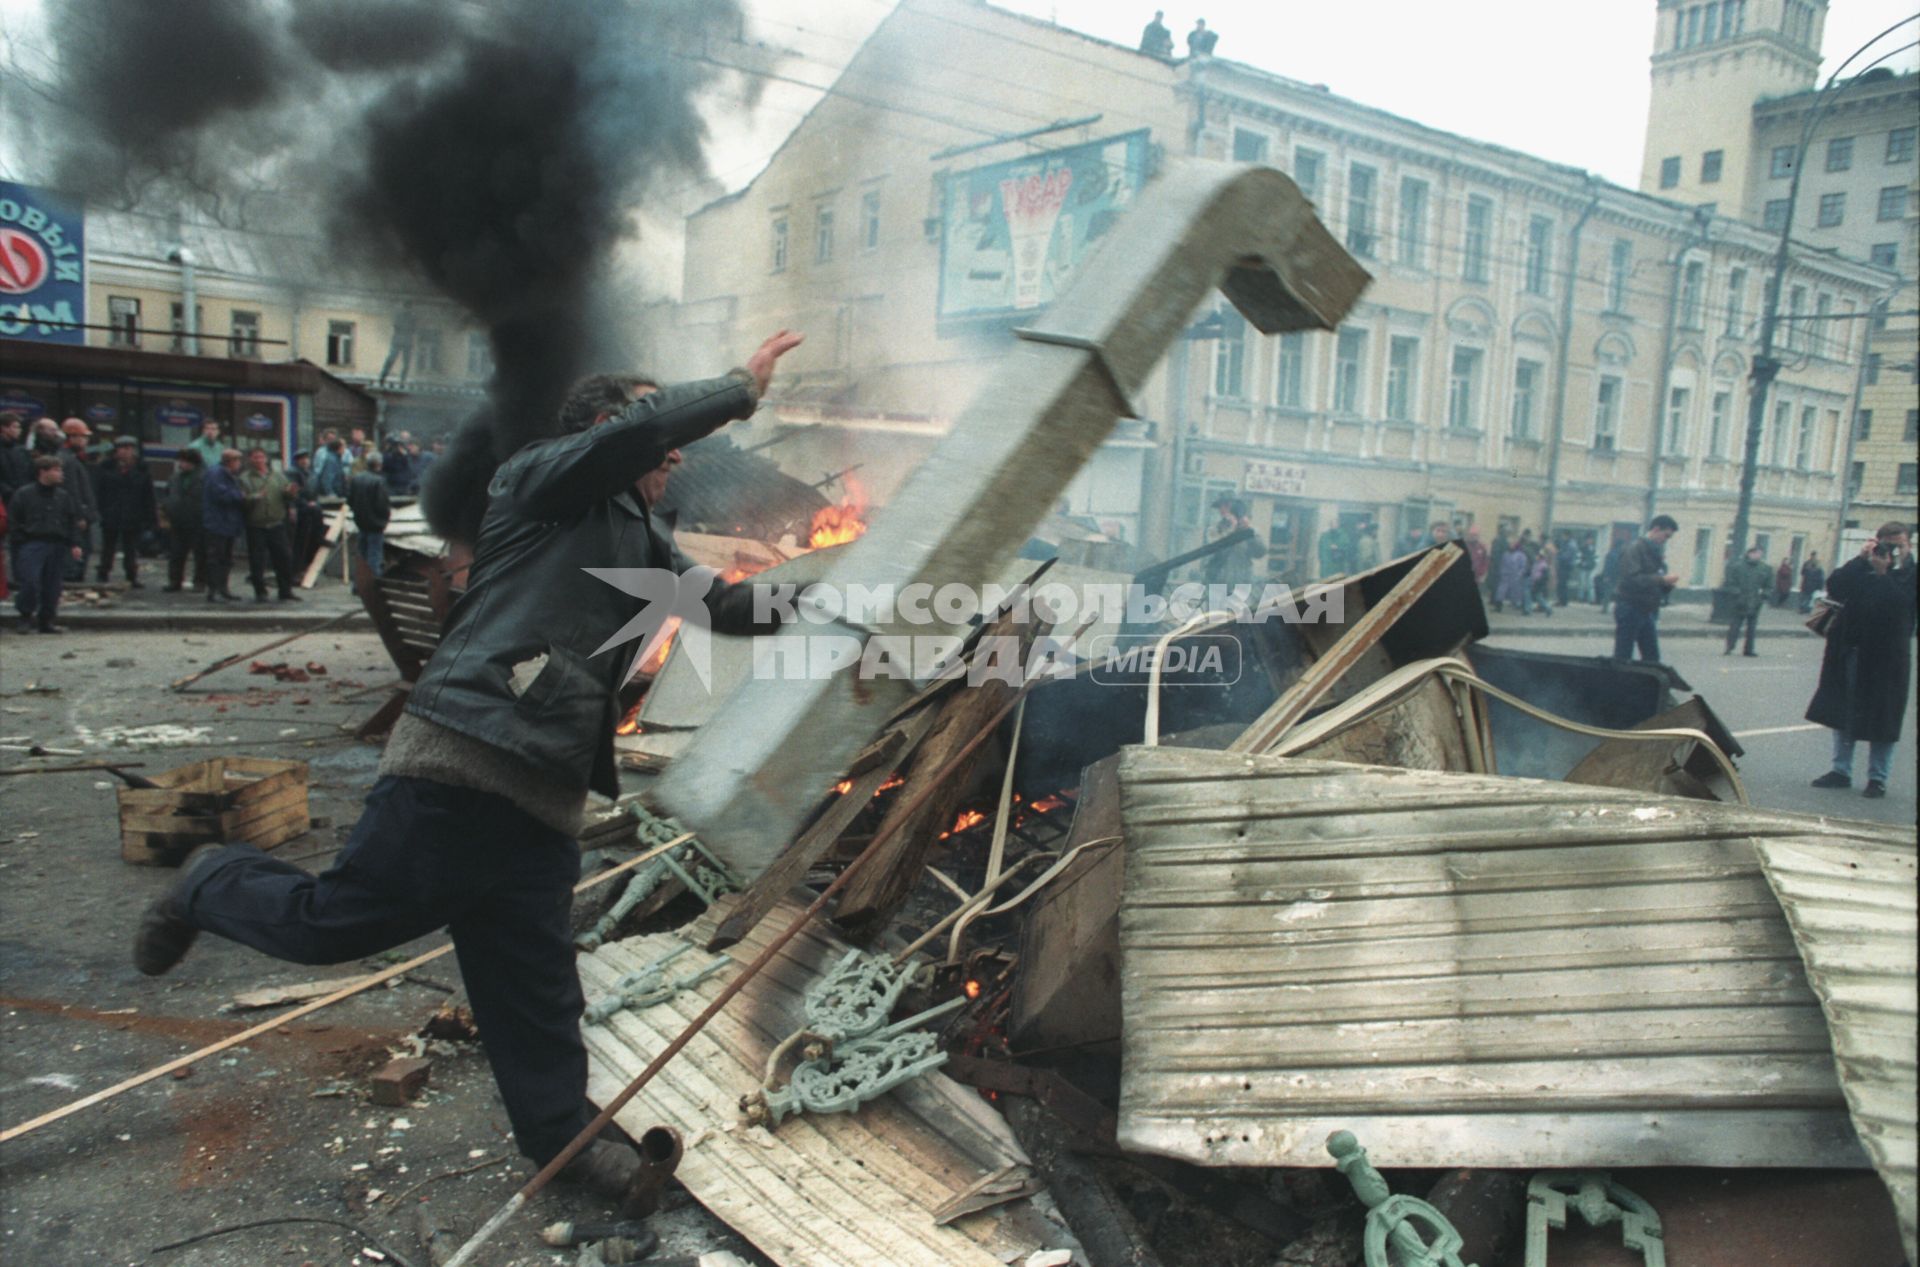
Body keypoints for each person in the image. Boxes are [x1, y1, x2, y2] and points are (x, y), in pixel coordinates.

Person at [133, 331, 805, 1197]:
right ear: (603, 427)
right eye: (650, 425)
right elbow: (628, 441)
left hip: (543, 800)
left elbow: (732, 605)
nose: (671, 449)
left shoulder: (643, 535)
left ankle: (566, 1147)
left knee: (535, 990)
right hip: (463, 765)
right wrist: (736, 387)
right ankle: (210, 878)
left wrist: (846, 590)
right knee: (333, 924)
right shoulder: (541, 480)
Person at [1807, 523, 1915, 799]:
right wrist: (1860, 558)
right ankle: (1840, 770)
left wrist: (1883, 573)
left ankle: (1877, 778)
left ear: (1908, 546)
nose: (1889, 552)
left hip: (1887, 659)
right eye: (1885, 545)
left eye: (1897, 546)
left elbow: (1902, 606)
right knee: (1844, 710)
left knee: (1883, 717)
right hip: (1853, 649)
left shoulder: (1911, 573)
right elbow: (1835, 586)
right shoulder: (1863, 566)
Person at [8, 456, 85, 633]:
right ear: (43, 472)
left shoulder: (63, 496)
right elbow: (14, 520)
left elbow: (71, 521)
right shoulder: (24, 494)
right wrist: (21, 540)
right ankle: (25, 617)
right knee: (30, 582)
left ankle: (46, 620)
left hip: (57, 544)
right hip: (32, 543)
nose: (61, 474)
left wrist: (75, 544)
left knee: (53, 586)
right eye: (56, 470)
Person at [1611, 515, 1680, 663]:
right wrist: (1662, 580)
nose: (1665, 540)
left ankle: (1646, 684)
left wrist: (1666, 586)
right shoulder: (1634, 548)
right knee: (1623, 654)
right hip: (1630, 606)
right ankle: (1619, 683)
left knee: (1651, 656)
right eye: (1665, 535)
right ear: (1655, 529)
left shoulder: (1652, 550)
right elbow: (1631, 579)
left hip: (1645, 608)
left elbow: (1651, 579)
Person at [93, 436, 157, 588]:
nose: (127, 452)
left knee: (131, 547)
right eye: (123, 449)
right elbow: (99, 491)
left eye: (130, 449)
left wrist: (150, 517)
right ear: (116, 451)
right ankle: (103, 572)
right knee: (109, 545)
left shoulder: (142, 469)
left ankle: (131, 575)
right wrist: (101, 510)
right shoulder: (106, 467)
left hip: (133, 513)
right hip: (112, 512)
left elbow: (148, 495)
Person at [240, 448, 300, 602]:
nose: (258, 460)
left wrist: (291, 492)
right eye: (255, 457)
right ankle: (260, 592)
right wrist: (255, 497)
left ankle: (285, 591)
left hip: (276, 523)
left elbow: (286, 495)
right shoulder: (245, 478)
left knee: (284, 557)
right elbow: (241, 500)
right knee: (257, 560)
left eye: (261, 457)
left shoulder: (278, 476)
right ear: (250, 460)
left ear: (266, 459)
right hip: (256, 525)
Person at [201, 448, 247, 604]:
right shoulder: (217, 474)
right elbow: (221, 495)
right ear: (231, 461)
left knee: (226, 558)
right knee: (216, 557)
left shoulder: (228, 475)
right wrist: (240, 495)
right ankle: (213, 590)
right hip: (218, 522)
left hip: (228, 523)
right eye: (238, 461)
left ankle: (223, 588)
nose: (239, 465)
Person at [59, 418, 99, 581]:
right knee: (79, 548)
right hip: (77, 514)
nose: (85, 441)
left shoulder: (72, 458)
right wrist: (79, 514)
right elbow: (72, 490)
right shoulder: (69, 460)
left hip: (78, 512)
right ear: (71, 437)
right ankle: (72, 578)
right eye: (82, 437)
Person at [163, 449, 207, 592]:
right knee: (176, 553)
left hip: (197, 520)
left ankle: (200, 582)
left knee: (200, 554)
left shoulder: (204, 477)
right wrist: (167, 510)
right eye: (180, 461)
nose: (181, 464)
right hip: (178, 520)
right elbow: (168, 494)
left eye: (184, 461)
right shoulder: (175, 478)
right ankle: (175, 581)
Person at [347, 453, 393, 586]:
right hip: (375, 524)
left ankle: (357, 585)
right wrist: (384, 520)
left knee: (361, 556)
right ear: (379, 464)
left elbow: (350, 500)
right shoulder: (378, 481)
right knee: (374, 556)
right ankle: (372, 586)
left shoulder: (356, 479)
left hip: (361, 522)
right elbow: (382, 504)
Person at [1203, 497, 1265, 587]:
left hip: (1241, 585)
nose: (1222, 510)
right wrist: (1230, 529)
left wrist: (1248, 532)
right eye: (1221, 507)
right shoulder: (1215, 529)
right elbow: (1214, 548)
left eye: (1226, 506)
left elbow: (1260, 552)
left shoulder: (1248, 531)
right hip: (1217, 583)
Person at [1721, 544, 1770, 657]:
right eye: (1756, 553)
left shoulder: (1765, 569)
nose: (1758, 556)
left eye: (1760, 554)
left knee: (1752, 628)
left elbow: (1769, 585)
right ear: (1750, 554)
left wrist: (1764, 596)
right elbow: (1730, 582)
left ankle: (1749, 649)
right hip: (1740, 601)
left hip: (1755, 601)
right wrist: (1736, 594)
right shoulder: (1738, 567)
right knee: (1735, 626)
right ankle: (1729, 647)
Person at [378, 301, 417, 388]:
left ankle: (401, 381)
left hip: (404, 342)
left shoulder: (410, 317)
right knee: (391, 360)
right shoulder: (400, 316)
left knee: (403, 363)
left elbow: (412, 330)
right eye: (406, 307)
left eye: (408, 307)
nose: (407, 309)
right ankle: (383, 377)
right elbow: (397, 327)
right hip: (400, 341)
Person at [0, 412, 30, 504]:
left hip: (24, 497)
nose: (19, 430)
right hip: (5, 499)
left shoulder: (21, 450)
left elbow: (29, 472)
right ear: (4, 428)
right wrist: (8, 491)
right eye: (15, 427)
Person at [1493, 539, 1529, 613]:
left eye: (1512, 544)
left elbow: (1523, 567)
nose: (1511, 545)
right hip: (1506, 576)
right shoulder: (1506, 554)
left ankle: (1524, 608)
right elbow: (1502, 564)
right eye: (1510, 544)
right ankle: (1498, 607)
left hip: (1516, 578)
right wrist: (1502, 573)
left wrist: (1519, 574)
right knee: (1501, 592)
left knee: (1518, 593)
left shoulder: (1521, 555)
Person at [1597, 534, 1626, 612]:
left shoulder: (1612, 553)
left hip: (1613, 576)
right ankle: (1614, 608)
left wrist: (1606, 575)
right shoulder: (1619, 554)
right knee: (1616, 593)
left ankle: (1605, 608)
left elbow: (1607, 565)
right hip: (1617, 576)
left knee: (1609, 593)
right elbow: (1609, 565)